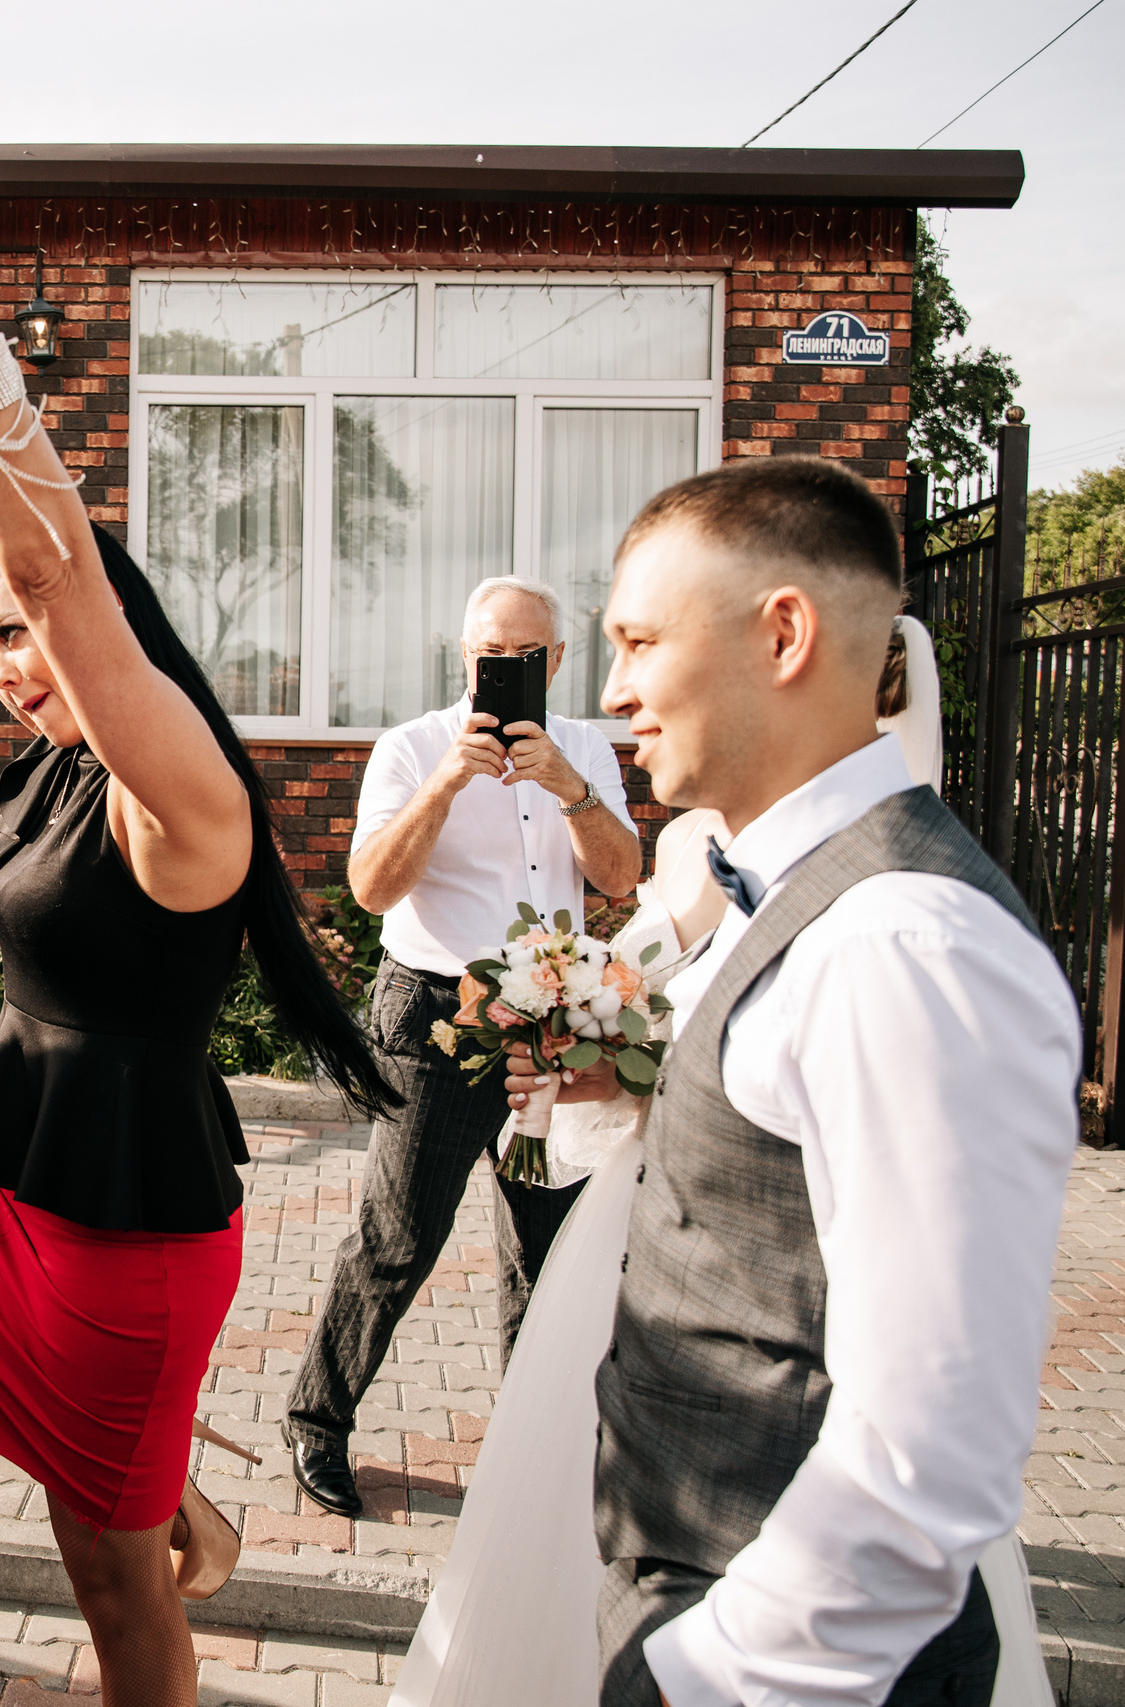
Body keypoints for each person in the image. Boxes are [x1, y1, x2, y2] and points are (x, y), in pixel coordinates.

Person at [0, 111, 388, 1706]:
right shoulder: (53, 755)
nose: (6, 655)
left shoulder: (177, 790)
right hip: (0, 1179)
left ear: (113, 633)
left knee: (118, 1600)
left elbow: (45, 572)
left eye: (29, 636)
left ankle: (135, 1485)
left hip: (130, 1236)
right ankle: (138, 1470)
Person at [390, 610, 1058, 1707]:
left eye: (646, 647)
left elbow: (939, 1391)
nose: (615, 694)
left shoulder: (902, 929)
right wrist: (582, 1052)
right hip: (649, 1301)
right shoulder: (712, 847)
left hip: (764, 1405)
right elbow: (666, 1010)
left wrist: (706, 1672)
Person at [281, 573, 641, 1517]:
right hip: (435, 1017)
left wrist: (569, 787)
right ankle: (318, 1419)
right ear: (464, 656)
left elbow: (619, 877)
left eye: (525, 657)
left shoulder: (588, 749)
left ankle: (529, 1452)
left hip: (549, 1026)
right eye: (490, 656)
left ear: (557, 661)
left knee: (544, 1249)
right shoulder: (411, 749)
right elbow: (369, 886)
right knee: (398, 1239)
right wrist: (448, 781)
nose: (506, 672)